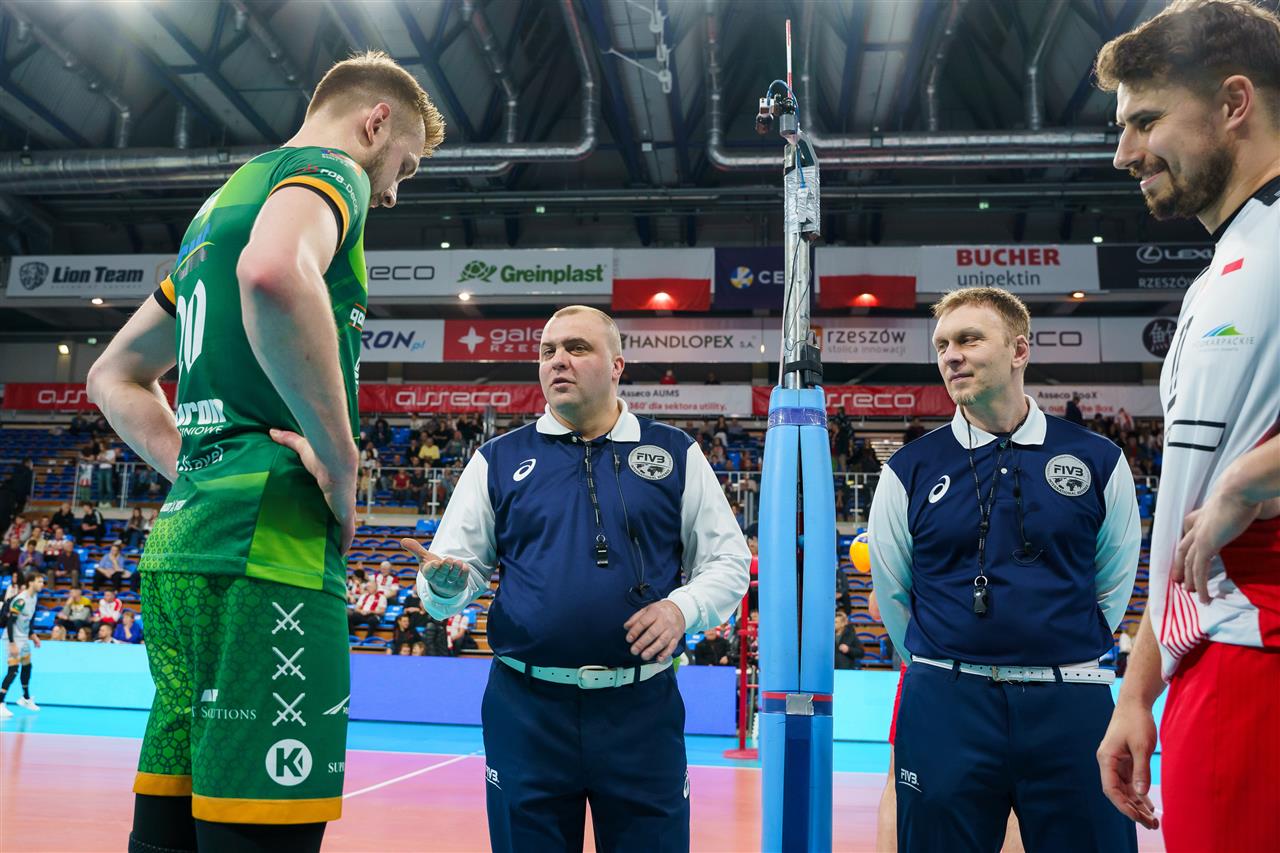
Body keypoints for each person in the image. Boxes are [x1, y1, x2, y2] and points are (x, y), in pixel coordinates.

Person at [84, 49, 444, 851]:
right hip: (270, 549)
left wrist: (197, 465)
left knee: (172, 819)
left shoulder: (223, 204)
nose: (393, 191)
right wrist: (341, 461)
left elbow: (111, 375)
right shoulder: (332, 171)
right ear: (375, 122)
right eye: (406, 166)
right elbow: (275, 272)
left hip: (182, 548)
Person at [401, 305, 751, 853]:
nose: (557, 360)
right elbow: (449, 582)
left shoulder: (674, 453)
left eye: (577, 348)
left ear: (617, 366)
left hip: (641, 708)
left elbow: (728, 561)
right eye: (548, 351)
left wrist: (681, 609)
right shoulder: (497, 460)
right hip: (526, 711)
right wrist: (444, 588)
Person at [1093, 3, 1280, 849]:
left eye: (1146, 121)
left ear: (1234, 103)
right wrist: (1139, 690)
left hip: (1261, 644)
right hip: (1210, 658)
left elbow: (1227, 484)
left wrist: (1255, 476)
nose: (1125, 153)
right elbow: (1183, 506)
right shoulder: (1222, 269)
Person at [868, 286, 1141, 853]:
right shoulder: (908, 468)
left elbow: (1113, 585)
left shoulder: (1098, 460)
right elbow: (893, 591)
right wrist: (945, 664)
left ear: (1019, 350)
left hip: (1071, 701)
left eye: (969, 340)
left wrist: (1058, 653)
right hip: (946, 702)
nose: (951, 356)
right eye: (942, 345)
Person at [0, 570, 45, 719]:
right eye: (39, 581)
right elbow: (10, 622)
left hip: (24, 638)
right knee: (13, 670)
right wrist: (12, 643)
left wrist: (33, 635)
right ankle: (0, 703)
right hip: (12, 638)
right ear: (30, 582)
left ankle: (25, 698)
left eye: (42, 581)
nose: (42, 584)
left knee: (27, 666)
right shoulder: (21, 600)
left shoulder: (34, 597)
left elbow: (26, 621)